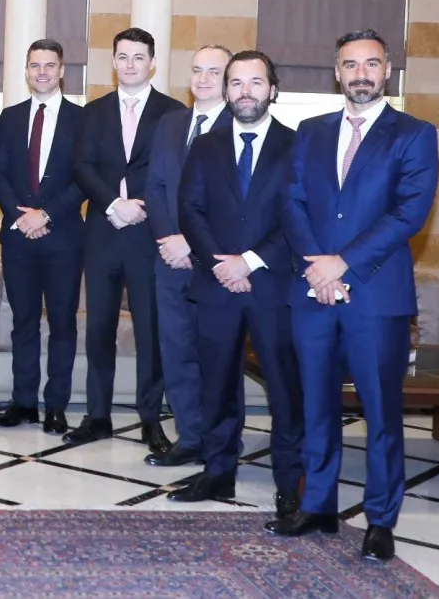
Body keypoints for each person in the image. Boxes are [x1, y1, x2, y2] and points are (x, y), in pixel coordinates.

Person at [270, 29, 438, 564]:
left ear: (387, 70)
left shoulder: (414, 134)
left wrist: (344, 263)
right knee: (315, 405)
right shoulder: (310, 131)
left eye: (370, 64)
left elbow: (409, 213)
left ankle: (381, 519)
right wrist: (319, 268)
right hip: (313, 292)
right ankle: (318, 504)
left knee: (382, 413)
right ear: (336, 72)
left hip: (375, 295)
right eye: (350, 65)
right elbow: (291, 203)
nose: (360, 73)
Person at [168, 50, 303, 517]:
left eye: (255, 82)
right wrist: (222, 264)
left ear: (273, 89)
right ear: (226, 91)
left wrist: (249, 261)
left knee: (285, 388)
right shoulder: (206, 145)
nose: (245, 91)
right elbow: (191, 210)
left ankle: (290, 482)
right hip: (216, 286)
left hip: (274, 288)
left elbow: (300, 218)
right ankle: (218, 471)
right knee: (217, 386)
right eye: (236, 83)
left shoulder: (298, 145)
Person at [68, 27, 185, 452]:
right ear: (113, 62)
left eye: (139, 57)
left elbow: (176, 177)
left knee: (150, 329)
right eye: (123, 56)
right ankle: (97, 415)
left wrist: (143, 209)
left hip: (148, 237)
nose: (130, 64)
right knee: (98, 327)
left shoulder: (173, 114)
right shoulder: (92, 111)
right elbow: (80, 167)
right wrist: (113, 205)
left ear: (152, 62)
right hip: (102, 233)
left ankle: (150, 419)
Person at [0, 39, 84, 436]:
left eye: (49, 65)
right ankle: (23, 402)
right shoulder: (9, 117)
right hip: (18, 239)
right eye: (34, 65)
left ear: (61, 71)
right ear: (26, 71)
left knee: (62, 324)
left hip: (62, 238)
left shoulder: (83, 119)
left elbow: (85, 178)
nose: (42, 72)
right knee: (23, 322)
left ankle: (56, 406)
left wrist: (46, 214)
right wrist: (19, 216)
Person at [143, 44, 232, 467]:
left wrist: (192, 244)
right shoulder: (171, 123)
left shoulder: (242, 124)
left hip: (216, 265)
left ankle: (219, 442)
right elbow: (155, 186)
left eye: (214, 72)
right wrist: (168, 237)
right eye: (197, 70)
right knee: (176, 351)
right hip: (169, 259)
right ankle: (190, 438)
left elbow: (237, 203)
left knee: (215, 356)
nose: (203, 79)